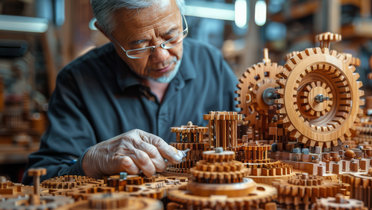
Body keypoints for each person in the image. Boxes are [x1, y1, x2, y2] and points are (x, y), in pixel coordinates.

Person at [22, 0, 237, 184]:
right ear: (107, 33)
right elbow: (39, 179)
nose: (161, 56)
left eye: (170, 36)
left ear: (180, 14)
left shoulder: (211, 64)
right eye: (140, 45)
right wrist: (91, 161)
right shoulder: (77, 82)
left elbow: (251, 136)